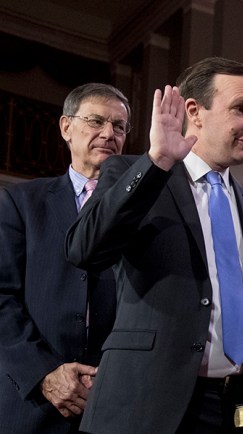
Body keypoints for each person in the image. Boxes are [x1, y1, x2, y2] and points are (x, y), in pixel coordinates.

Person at [65, 57, 243, 433]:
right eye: (241, 109)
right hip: (141, 406)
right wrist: (157, 161)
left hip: (231, 410)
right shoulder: (134, 174)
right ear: (194, 111)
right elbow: (85, 250)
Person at [0, 83, 127, 433]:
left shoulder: (140, 210)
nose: (108, 133)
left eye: (119, 126)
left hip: (113, 403)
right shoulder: (21, 202)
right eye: (96, 121)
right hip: (31, 404)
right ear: (66, 127)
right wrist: (44, 373)